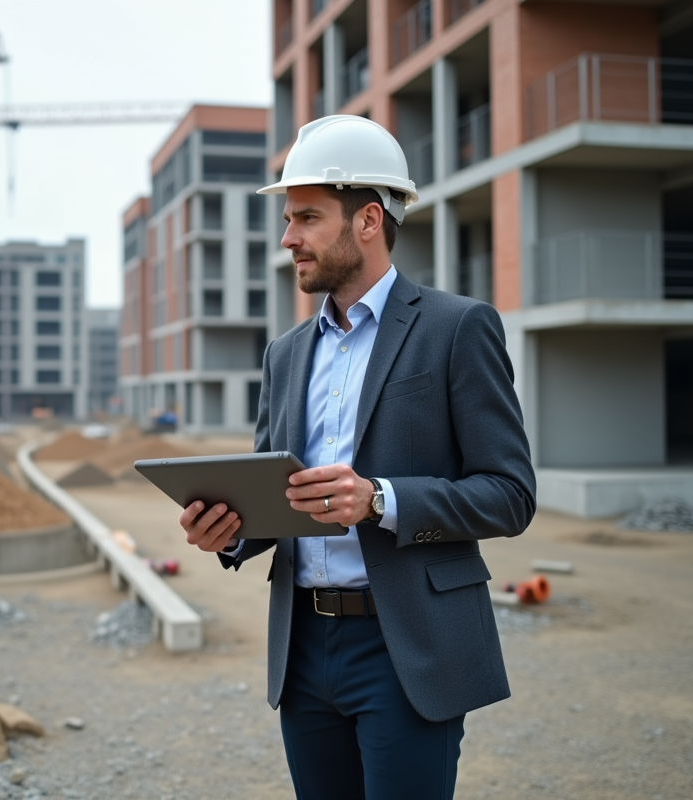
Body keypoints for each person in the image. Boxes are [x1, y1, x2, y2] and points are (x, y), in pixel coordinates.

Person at [178, 115, 536, 800]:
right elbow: (273, 491)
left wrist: (380, 499)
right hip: (303, 649)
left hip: (406, 648)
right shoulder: (284, 354)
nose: (288, 238)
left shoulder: (457, 328)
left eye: (306, 217)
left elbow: (510, 493)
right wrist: (229, 530)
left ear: (369, 219)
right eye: (288, 218)